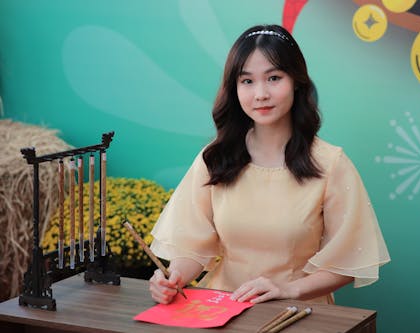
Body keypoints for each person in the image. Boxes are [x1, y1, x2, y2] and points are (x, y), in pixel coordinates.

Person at [149, 24, 390, 305]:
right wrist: (173, 276)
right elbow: (192, 247)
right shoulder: (214, 158)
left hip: (297, 312)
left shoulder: (330, 163)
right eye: (247, 81)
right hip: (220, 309)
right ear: (234, 88)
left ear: (297, 82)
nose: (260, 94)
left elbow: (347, 260)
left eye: (273, 78)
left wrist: (289, 289)